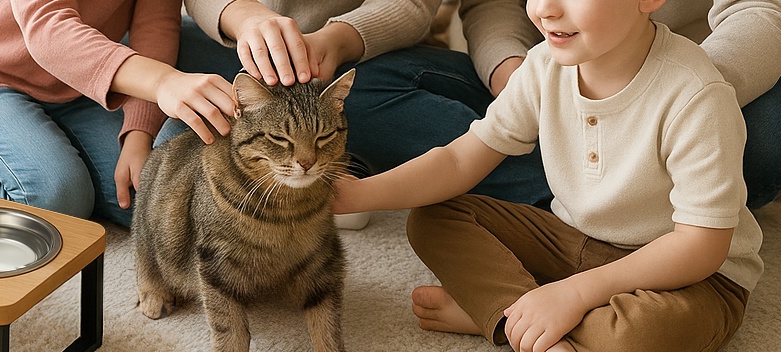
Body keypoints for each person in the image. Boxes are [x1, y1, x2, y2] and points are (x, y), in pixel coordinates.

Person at [332, 0, 764, 352]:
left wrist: (574, 294)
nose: (545, 9)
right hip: (573, 238)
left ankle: (501, 315)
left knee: (645, 338)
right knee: (433, 217)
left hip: (693, 276)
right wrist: (358, 194)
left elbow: (701, 245)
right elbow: (459, 161)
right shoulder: (543, 66)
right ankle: (538, 325)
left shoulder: (696, 94)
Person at [0, 0, 239, 228]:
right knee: (55, 201)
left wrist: (138, 133)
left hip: (79, 85)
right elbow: (50, 31)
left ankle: (48, 148)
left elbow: (155, 29)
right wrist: (163, 84)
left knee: (145, 203)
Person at [168, 0, 553, 211]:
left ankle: (557, 188)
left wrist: (338, 40)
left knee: (350, 98)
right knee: (170, 175)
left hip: (369, 57)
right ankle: (350, 156)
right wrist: (243, 16)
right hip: (235, 48)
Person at [462, 0, 781, 209]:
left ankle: (603, 199)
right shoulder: (540, 68)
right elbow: (494, 5)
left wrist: (676, 97)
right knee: (410, 83)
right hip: (552, 68)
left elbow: (759, 10)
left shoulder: (693, 92)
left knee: (766, 137)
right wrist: (512, 77)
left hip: (697, 78)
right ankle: (586, 195)